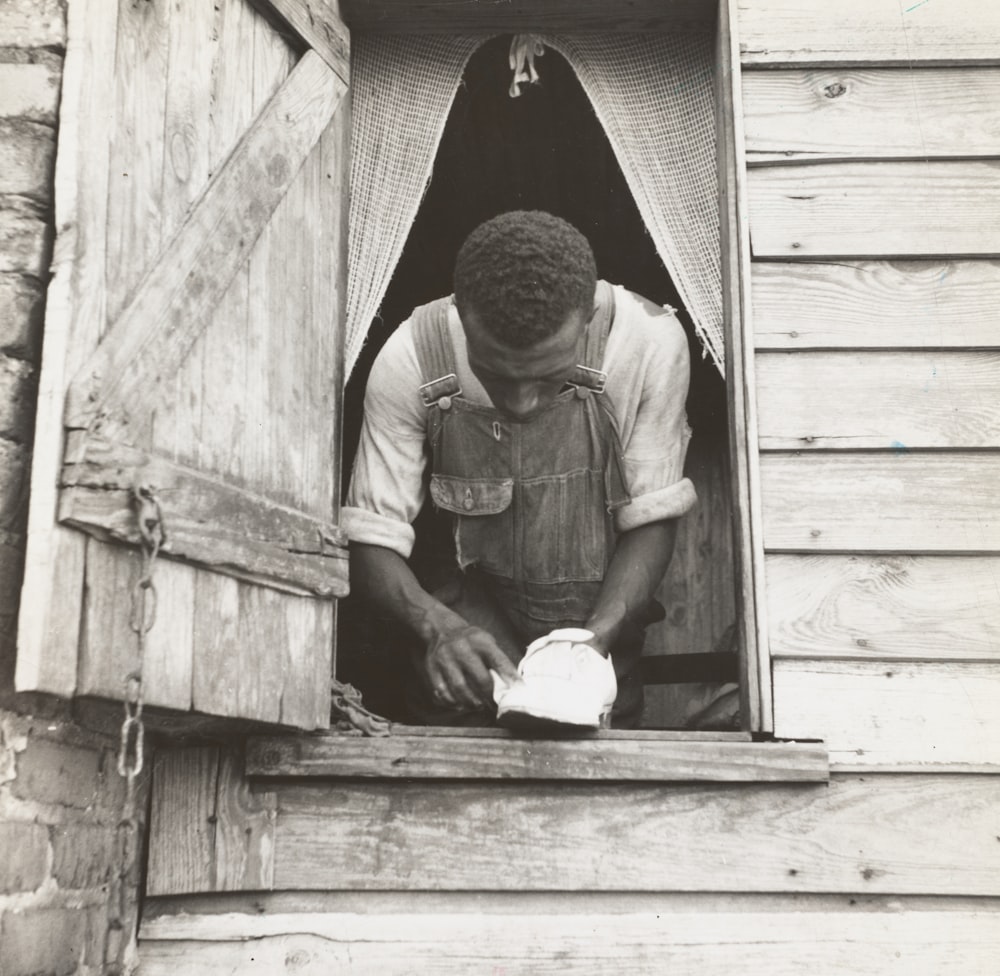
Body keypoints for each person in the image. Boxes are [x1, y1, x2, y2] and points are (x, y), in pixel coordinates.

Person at [343, 210, 696, 727]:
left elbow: (653, 514)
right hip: (462, 637)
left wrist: (591, 644)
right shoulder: (411, 356)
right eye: (497, 376)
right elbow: (372, 537)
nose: (523, 404)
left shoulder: (648, 342)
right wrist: (436, 626)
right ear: (461, 315)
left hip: (597, 631)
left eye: (549, 377)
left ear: (588, 316)